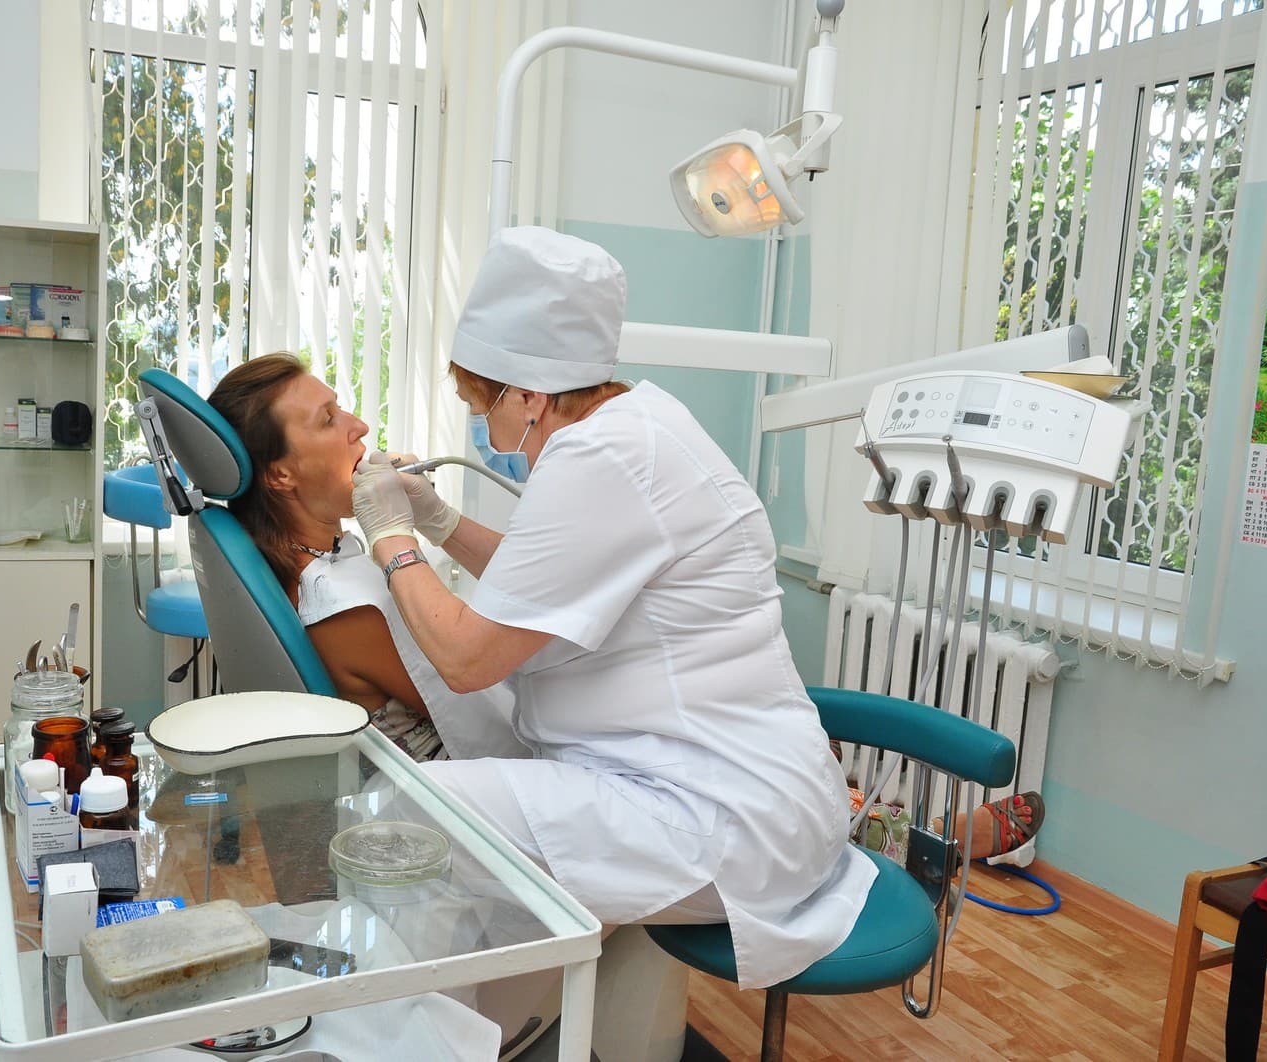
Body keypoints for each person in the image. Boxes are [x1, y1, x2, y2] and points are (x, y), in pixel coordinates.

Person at [348, 226, 876, 992]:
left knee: (404, 815)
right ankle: (490, 1015)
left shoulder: (602, 458)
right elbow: (546, 581)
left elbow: (465, 660)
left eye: (481, 406)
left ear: (529, 396)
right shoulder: (640, 426)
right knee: (458, 834)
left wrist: (392, 538)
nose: (481, 430)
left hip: (717, 811)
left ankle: (435, 1027)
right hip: (738, 787)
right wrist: (439, 521)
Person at [205, 353, 525, 763]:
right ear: (280, 475)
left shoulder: (315, 562)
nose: (359, 426)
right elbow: (494, 728)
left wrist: (435, 520)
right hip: (459, 788)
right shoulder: (347, 606)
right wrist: (396, 538)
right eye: (328, 419)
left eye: (339, 408)